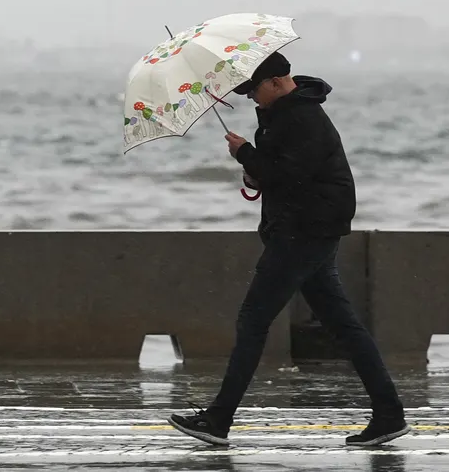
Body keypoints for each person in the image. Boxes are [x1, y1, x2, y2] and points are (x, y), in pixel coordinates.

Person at [167, 51, 410, 448]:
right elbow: (284, 174)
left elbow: (289, 176)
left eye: (253, 90)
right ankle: (389, 414)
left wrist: (246, 153)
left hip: (304, 233)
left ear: (278, 81)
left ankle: (218, 419)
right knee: (344, 327)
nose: (250, 98)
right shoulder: (289, 115)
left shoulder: (303, 118)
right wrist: (252, 166)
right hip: (306, 230)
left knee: (253, 319)